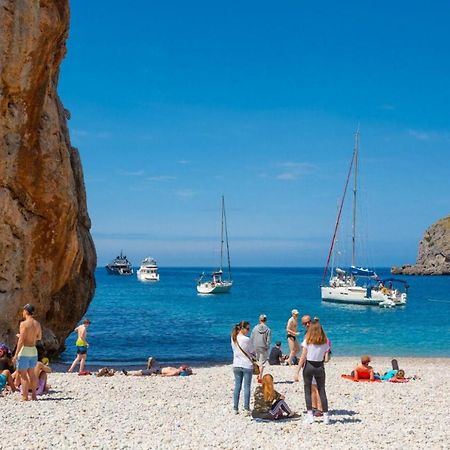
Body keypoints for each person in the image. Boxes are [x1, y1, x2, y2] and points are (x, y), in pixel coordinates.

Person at [295, 322, 331, 424]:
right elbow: (326, 359)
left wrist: (297, 371)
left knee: (308, 390)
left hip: (309, 366)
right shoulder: (325, 344)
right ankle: (326, 417)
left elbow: (302, 357)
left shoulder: (308, 341)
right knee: (322, 390)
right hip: (319, 366)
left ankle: (310, 416)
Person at [12, 304, 42, 401]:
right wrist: (30, 337)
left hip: (24, 350)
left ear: (26, 311)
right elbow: (39, 337)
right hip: (33, 350)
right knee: (32, 374)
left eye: (23, 311)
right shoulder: (37, 324)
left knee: (23, 375)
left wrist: (16, 354)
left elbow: (21, 340)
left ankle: (25, 396)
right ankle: (34, 395)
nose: (22, 312)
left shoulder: (23, 324)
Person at [231, 321, 256, 415]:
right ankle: (246, 408)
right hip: (246, 365)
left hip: (236, 364)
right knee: (247, 387)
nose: (248, 331)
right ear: (242, 328)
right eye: (248, 329)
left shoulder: (233, 338)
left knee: (237, 386)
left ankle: (235, 408)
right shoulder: (247, 339)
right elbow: (252, 351)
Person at [251, 314, 272, 379]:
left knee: (257, 361)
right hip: (263, 347)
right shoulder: (268, 330)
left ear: (259, 320)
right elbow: (268, 341)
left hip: (255, 346)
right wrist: (267, 347)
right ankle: (260, 377)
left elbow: (251, 337)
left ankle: (257, 373)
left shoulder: (255, 328)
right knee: (262, 363)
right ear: (266, 320)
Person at [123, 357, 193, 377]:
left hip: (157, 371)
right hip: (159, 367)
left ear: (182, 369)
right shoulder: (176, 369)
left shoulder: (176, 371)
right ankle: (148, 369)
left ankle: (128, 373)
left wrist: (156, 375)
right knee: (151, 358)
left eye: (182, 367)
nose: (181, 366)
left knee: (141, 372)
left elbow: (166, 375)